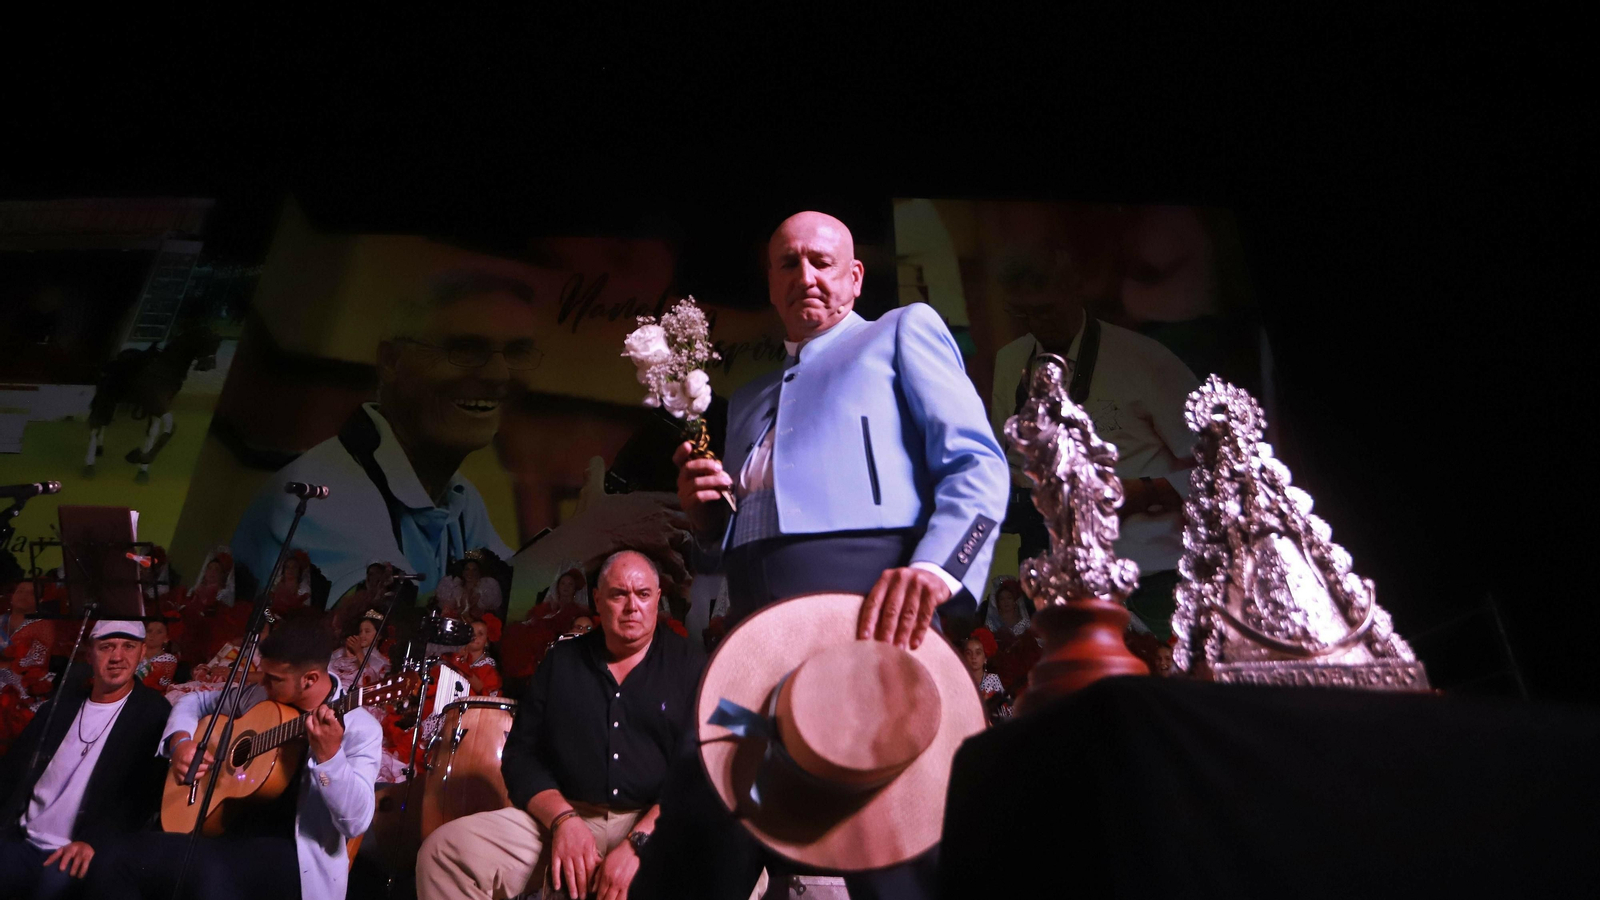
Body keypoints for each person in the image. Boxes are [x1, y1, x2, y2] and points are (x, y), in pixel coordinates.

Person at [653, 212, 1010, 899]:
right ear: (770, 283)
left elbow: (978, 463)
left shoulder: (901, 332)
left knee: (893, 842)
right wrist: (707, 521)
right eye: (788, 263)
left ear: (855, 277)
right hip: (751, 650)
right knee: (701, 822)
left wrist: (938, 568)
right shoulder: (748, 399)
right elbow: (734, 542)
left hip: (871, 625)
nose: (805, 275)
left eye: (821, 261)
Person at [415, 550, 702, 900]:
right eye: (618, 594)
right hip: (566, 815)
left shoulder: (690, 666)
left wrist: (640, 843)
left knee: (733, 862)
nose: (632, 607)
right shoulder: (562, 662)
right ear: (597, 600)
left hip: (656, 821)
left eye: (642, 594)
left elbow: (699, 773)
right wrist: (564, 820)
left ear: (657, 598)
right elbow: (521, 756)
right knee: (443, 854)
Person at [231, 270, 532, 602]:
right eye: (465, 350)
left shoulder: (459, 497)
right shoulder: (322, 494)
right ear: (391, 361)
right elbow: (384, 618)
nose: (499, 375)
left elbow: (516, 587)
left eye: (516, 353)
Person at [986, 204, 1201, 639]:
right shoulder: (1011, 361)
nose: (1036, 326)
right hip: (1057, 579)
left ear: (1075, 289)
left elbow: (1219, 469)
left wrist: (1143, 493)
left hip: (1150, 578)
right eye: (1022, 314)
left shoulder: (1146, 361)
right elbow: (1002, 459)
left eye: (1045, 310)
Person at [85, 615, 382, 900]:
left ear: (310, 679)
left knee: (206, 879)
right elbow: (195, 700)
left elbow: (355, 823)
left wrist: (330, 757)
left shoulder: (360, 729)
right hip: (223, 833)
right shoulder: (265, 696)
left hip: (294, 859)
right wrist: (180, 742)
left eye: (273, 679)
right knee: (111, 857)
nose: (262, 684)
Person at [0, 620, 170, 900]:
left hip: (76, 849)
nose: (117, 657)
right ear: (89, 654)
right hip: (21, 837)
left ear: (142, 653)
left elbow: (142, 796)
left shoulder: (152, 712)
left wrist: (95, 841)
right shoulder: (60, 706)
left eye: (128, 646)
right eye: (107, 647)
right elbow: (13, 770)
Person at [328, 609, 391, 690]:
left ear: (379, 636)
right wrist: (348, 656)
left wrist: (358, 653)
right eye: (360, 631)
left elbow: (370, 682)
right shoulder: (342, 652)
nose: (362, 635)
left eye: (367, 631)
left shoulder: (381, 661)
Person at [440, 616, 501, 697]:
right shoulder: (454, 658)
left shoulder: (489, 669)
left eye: (480, 634)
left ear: (486, 641)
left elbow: (486, 693)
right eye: (471, 633)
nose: (474, 636)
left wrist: (462, 666)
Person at [962, 628, 1013, 726]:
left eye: (978, 653)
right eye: (969, 653)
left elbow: (1009, 711)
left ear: (985, 658)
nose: (973, 657)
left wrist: (990, 704)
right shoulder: (960, 680)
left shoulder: (993, 679)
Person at [436, 557, 503, 619]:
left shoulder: (486, 591)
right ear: (463, 572)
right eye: (467, 569)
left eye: (474, 570)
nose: (470, 573)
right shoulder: (453, 590)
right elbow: (446, 613)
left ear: (479, 572)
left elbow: (493, 613)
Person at [134, 619, 180, 694]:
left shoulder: (168, 659)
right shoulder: (133, 655)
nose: (152, 635)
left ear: (166, 638)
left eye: (159, 632)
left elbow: (161, 684)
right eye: (149, 631)